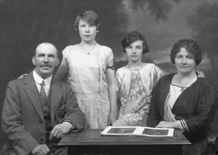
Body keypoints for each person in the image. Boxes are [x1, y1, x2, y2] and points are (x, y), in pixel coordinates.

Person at [1, 43, 85, 155]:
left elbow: (77, 114)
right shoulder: (15, 86)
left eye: (51, 56)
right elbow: (10, 124)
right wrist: (33, 147)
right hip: (23, 150)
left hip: (59, 149)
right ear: (34, 60)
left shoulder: (65, 88)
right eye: (41, 55)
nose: (46, 60)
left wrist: (67, 124)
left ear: (57, 61)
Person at [147, 39, 218, 155]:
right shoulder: (163, 83)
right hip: (163, 144)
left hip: (194, 146)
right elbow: (153, 113)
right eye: (180, 57)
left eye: (189, 57)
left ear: (196, 60)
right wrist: (154, 136)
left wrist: (172, 125)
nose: (184, 61)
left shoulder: (206, 88)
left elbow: (202, 120)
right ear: (173, 59)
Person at [55, 10, 117, 129]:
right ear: (78, 28)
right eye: (83, 26)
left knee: (99, 145)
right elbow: (56, 82)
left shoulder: (106, 52)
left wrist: (113, 113)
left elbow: (111, 84)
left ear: (97, 29)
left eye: (91, 26)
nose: (87, 30)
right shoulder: (69, 52)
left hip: (100, 108)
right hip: (75, 108)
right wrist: (31, 78)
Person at [113, 31, 165, 126]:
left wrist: (195, 74)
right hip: (124, 118)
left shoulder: (152, 69)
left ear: (143, 49)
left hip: (148, 118)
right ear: (125, 49)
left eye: (138, 47)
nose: (133, 51)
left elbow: (169, 81)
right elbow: (115, 101)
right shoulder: (120, 72)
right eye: (130, 47)